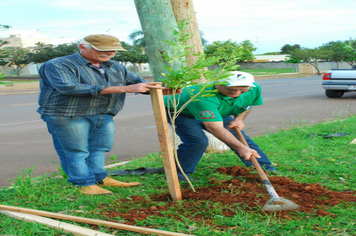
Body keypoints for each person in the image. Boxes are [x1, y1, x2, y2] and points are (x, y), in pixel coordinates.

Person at [38, 34, 168, 195]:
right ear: (82, 47)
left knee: (99, 148)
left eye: (113, 50)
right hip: (69, 114)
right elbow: (70, 87)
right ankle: (85, 184)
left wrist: (163, 90)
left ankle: (99, 178)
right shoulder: (58, 64)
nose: (109, 53)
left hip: (103, 113)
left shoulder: (114, 66)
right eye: (103, 50)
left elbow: (137, 83)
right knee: (75, 151)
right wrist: (125, 89)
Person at [164, 71, 276, 181]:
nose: (237, 93)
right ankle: (179, 174)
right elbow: (214, 127)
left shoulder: (253, 88)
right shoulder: (203, 96)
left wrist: (239, 119)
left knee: (238, 138)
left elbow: (246, 105)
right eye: (231, 90)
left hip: (216, 110)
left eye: (242, 90)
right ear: (217, 85)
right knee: (197, 141)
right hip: (182, 112)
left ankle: (265, 168)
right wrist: (241, 148)